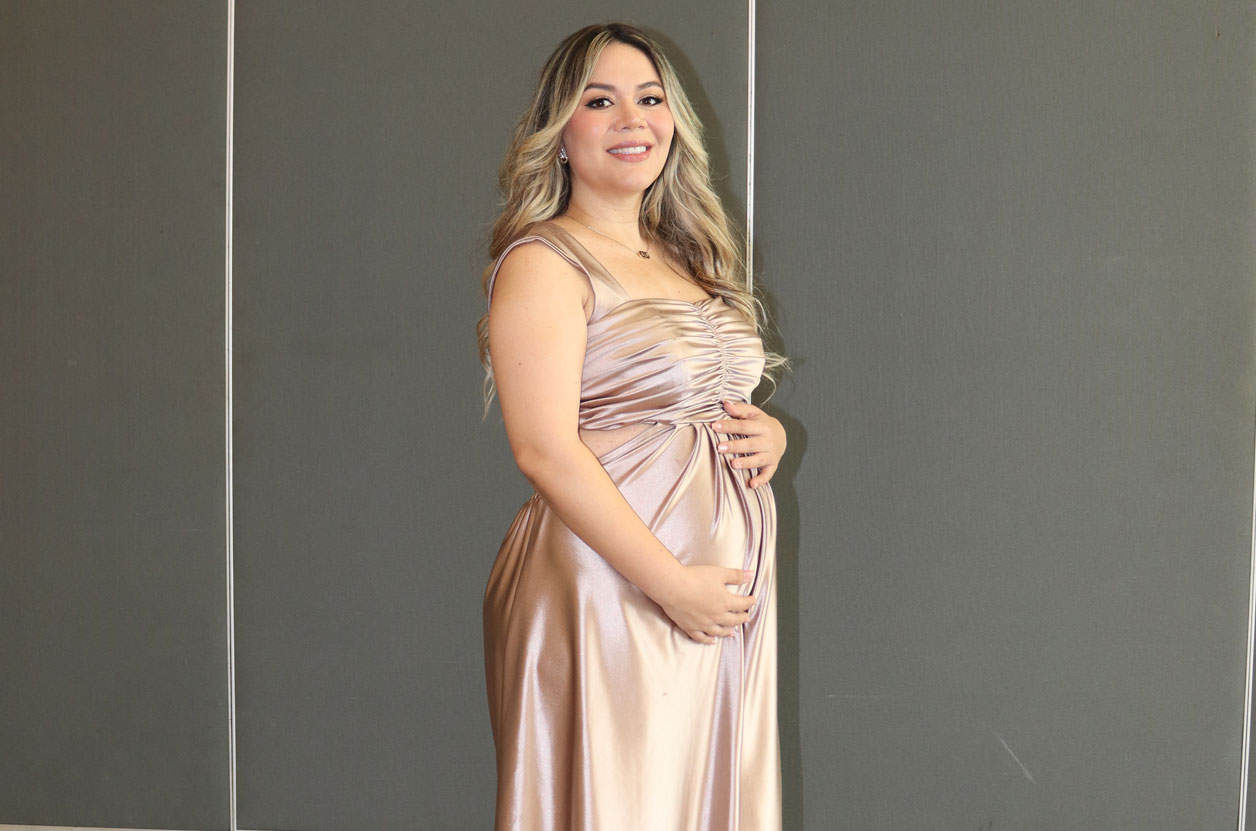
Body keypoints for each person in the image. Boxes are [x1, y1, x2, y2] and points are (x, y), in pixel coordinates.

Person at [476, 22, 790, 831]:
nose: (633, 120)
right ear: (559, 131)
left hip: (709, 599)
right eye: (600, 101)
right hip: (614, 587)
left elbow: (698, 396)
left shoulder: (689, 254)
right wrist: (671, 583)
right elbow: (542, 448)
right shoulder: (546, 261)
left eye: (650, 99)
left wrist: (772, 435)